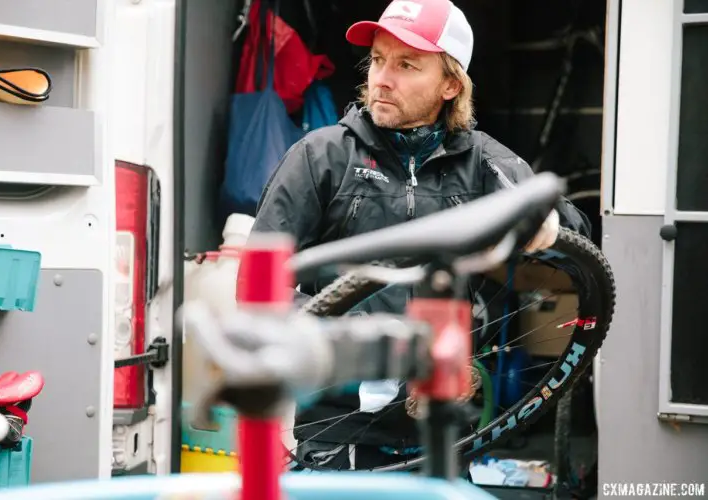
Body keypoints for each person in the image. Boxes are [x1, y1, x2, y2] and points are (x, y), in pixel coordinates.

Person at [248, 0, 591, 470]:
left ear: (451, 84)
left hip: (447, 429)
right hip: (339, 430)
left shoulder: (485, 163)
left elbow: (577, 237)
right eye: (378, 60)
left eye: (407, 64)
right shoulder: (320, 157)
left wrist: (545, 223)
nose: (382, 78)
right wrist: (338, 350)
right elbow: (258, 284)